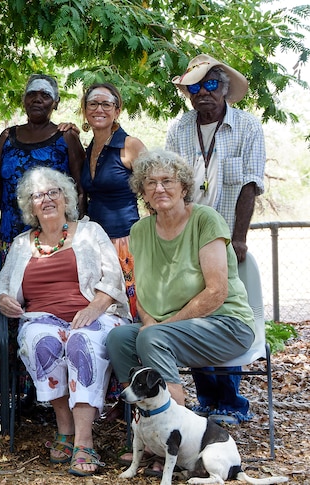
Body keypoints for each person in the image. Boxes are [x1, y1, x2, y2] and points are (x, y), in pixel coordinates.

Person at [106, 149, 255, 476]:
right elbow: (139, 291)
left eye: (167, 181)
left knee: (154, 339)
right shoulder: (139, 232)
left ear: (184, 186)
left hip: (224, 324)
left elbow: (217, 292)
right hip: (168, 330)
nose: (159, 188)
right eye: (150, 183)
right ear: (142, 191)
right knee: (118, 338)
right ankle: (144, 437)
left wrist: (160, 329)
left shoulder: (205, 219)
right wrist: (148, 323)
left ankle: (176, 440)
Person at [0, 167, 130, 477]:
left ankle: (83, 440)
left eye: (54, 192)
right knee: (42, 342)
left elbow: (113, 279)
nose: (48, 199)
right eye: (39, 195)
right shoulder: (21, 244)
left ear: (67, 198)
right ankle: (65, 429)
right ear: (30, 205)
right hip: (42, 318)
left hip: (95, 315)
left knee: (82, 341)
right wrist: (3, 299)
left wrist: (95, 307)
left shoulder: (90, 232)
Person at [166, 54, 265, 425]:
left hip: (223, 237)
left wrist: (238, 238)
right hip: (187, 236)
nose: (204, 93)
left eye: (211, 85)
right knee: (194, 309)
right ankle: (207, 399)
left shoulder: (247, 127)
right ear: (188, 93)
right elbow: (171, 184)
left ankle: (231, 401)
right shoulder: (179, 129)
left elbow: (251, 185)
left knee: (223, 308)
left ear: (224, 90)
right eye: (195, 86)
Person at [0, 74, 84, 270]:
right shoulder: (7, 137)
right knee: (9, 295)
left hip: (53, 238)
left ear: (55, 103)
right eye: (31, 94)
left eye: (45, 95)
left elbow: (80, 190)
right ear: (24, 100)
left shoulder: (66, 137)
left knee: (46, 293)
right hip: (10, 235)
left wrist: (75, 232)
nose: (37, 99)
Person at [79, 82, 147, 318]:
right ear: (85, 111)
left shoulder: (130, 145)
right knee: (103, 306)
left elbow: (154, 189)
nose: (99, 109)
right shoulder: (90, 148)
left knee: (132, 303)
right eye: (93, 104)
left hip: (126, 241)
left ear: (117, 111)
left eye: (106, 104)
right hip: (96, 242)